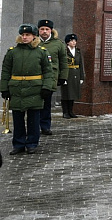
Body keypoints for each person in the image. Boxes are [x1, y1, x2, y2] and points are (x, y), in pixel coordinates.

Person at [1, 24, 54, 154]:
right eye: (23, 35)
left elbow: (48, 72)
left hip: (34, 90)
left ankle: (32, 143)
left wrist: (47, 87)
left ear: (34, 36)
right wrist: (4, 88)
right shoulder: (12, 52)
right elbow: (5, 71)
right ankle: (18, 144)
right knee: (18, 119)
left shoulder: (41, 52)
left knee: (33, 119)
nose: (24, 37)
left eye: (28, 35)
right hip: (16, 89)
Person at [37, 19, 68, 136]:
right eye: (42, 29)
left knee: (46, 103)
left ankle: (45, 126)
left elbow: (63, 62)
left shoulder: (58, 44)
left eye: (47, 29)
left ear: (51, 30)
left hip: (50, 77)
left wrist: (63, 77)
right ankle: (34, 126)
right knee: (35, 104)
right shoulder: (33, 42)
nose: (44, 32)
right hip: (35, 77)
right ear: (38, 30)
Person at [61, 34, 85, 119]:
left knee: (73, 94)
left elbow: (81, 65)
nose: (74, 42)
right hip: (67, 74)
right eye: (72, 41)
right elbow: (62, 64)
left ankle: (71, 111)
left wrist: (82, 77)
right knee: (65, 94)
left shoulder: (78, 51)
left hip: (76, 74)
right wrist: (62, 77)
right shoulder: (64, 51)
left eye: (75, 41)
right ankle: (65, 112)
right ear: (67, 42)